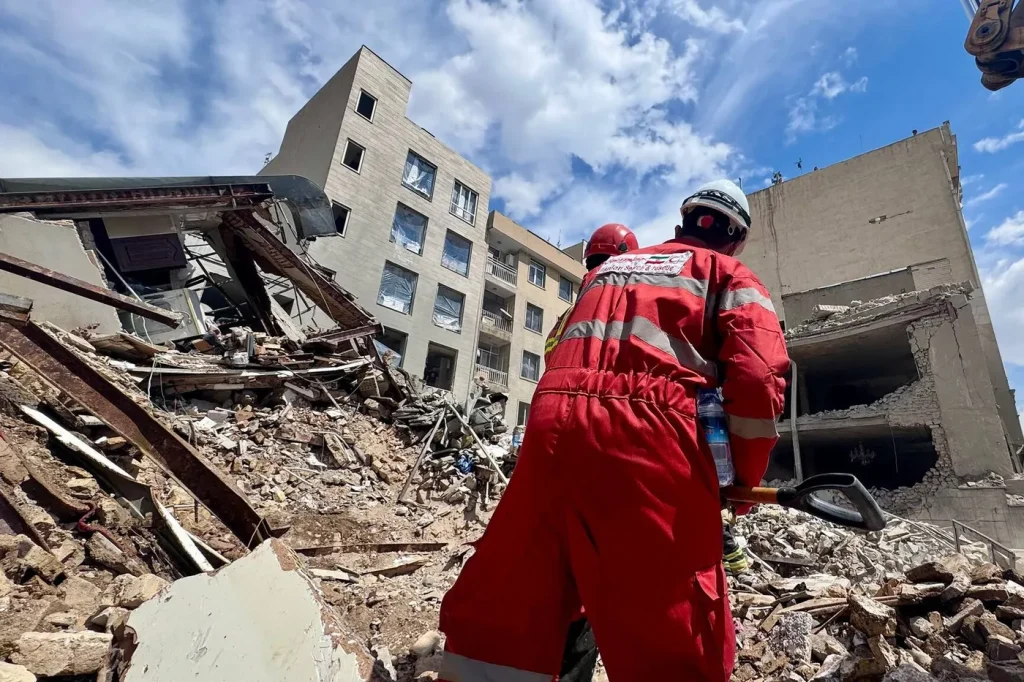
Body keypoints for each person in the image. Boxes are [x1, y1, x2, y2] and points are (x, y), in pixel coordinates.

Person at [438, 179, 789, 682]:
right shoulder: (731, 275)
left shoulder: (604, 276)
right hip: (649, 431)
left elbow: (558, 350)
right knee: (671, 611)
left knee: (520, 580)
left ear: (681, 223)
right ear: (735, 238)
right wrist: (740, 483)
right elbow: (757, 381)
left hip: (552, 425)